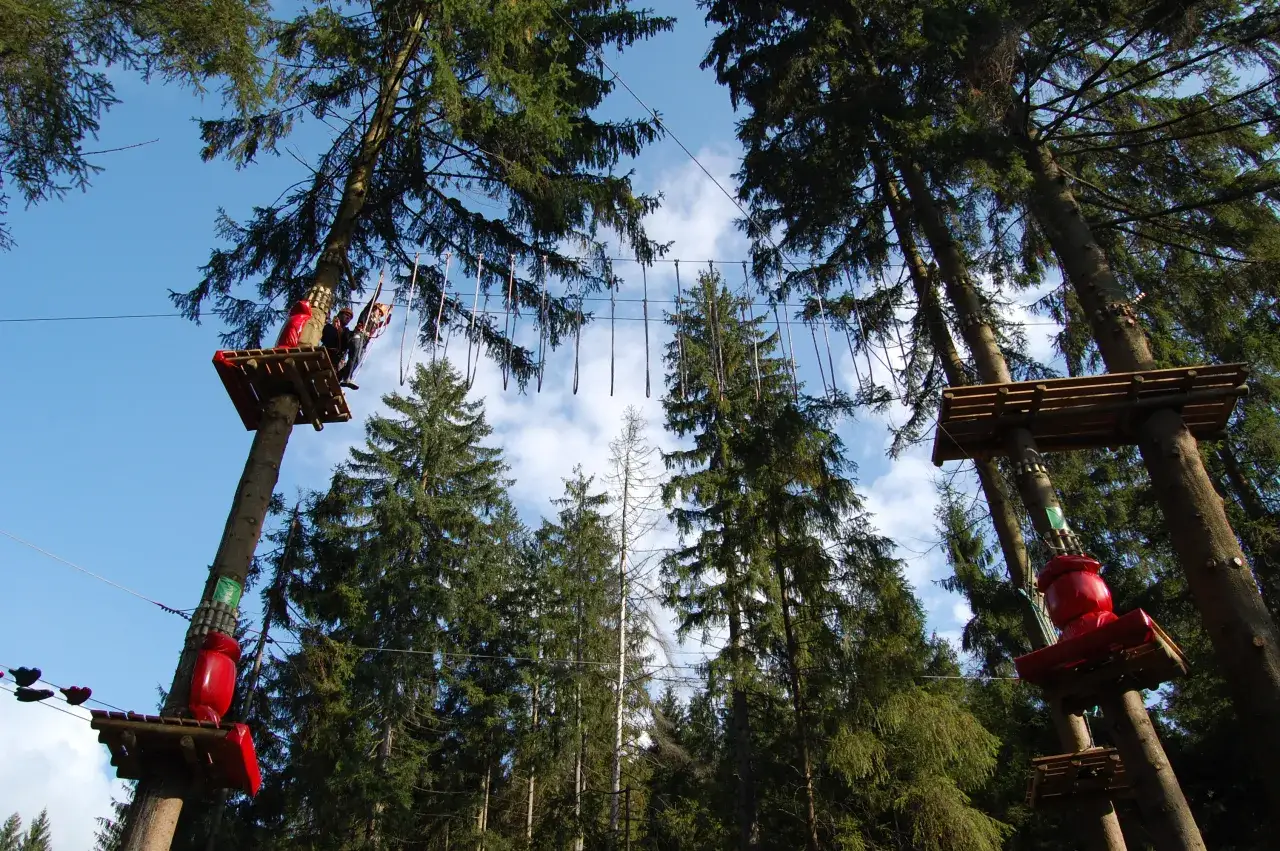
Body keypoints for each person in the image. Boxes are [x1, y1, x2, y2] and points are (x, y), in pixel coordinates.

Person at [338, 301, 390, 390]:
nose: (380, 315)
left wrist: (389, 312)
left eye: (381, 314)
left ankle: (341, 375)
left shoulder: (375, 323)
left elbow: (385, 322)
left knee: (357, 359)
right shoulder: (367, 313)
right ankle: (346, 378)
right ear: (374, 309)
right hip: (358, 335)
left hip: (364, 342)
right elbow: (371, 302)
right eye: (379, 312)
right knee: (354, 355)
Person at [322, 307, 353, 373]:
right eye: (346, 315)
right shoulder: (328, 327)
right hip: (324, 355)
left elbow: (347, 343)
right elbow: (326, 338)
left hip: (335, 363)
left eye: (350, 317)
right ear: (340, 315)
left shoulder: (347, 332)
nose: (348, 318)